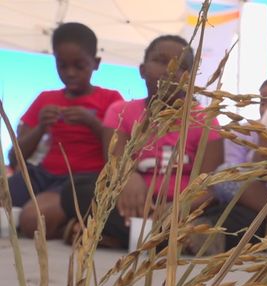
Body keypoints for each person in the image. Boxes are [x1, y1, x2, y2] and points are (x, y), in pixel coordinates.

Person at [61, 34, 223, 248]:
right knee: (76, 190)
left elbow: (207, 187)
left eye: (181, 66)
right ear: (142, 70)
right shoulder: (121, 111)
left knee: (239, 215)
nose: (170, 70)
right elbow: (115, 162)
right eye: (161, 61)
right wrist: (128, 177)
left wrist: (176, 208)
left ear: (191, 78)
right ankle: (173, 241)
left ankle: (120, 236)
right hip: (130, 204)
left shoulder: (206, 120)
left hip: (183, 209)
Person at [6, 22, 123, 239]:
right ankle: (73, 224)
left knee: (33, 220)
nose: (70, 73)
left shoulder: (111, 100)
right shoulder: (45, 99)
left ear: (95, 64)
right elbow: (15, 159)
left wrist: (93, 123)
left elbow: (121, 153)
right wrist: (41, 127)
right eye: (62, 66)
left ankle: (71, 224)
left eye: (79, 66)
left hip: (83, 180)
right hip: (41, 175)